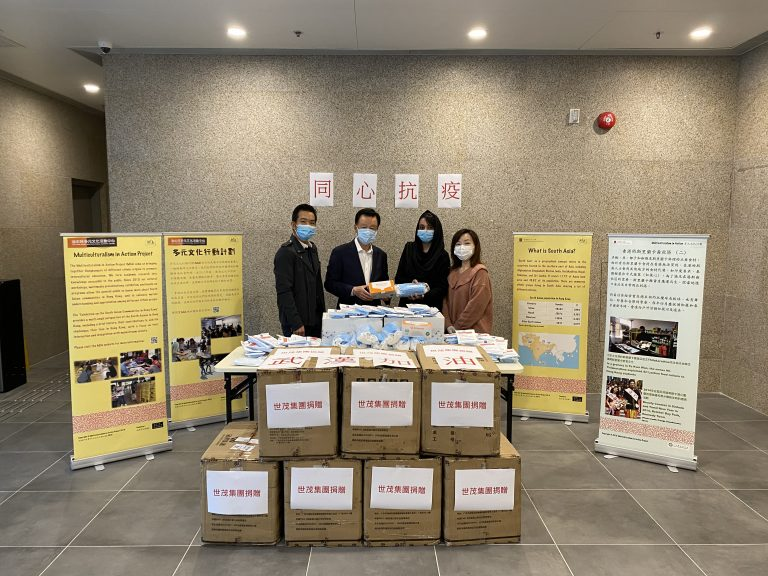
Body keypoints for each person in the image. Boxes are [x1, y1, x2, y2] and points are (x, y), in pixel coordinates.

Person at [274, 203, 327, 337]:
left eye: (312, 223)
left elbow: (317, 286)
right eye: (303, 222)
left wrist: (323, 316)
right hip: (298, 324)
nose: (308, 226)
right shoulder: (285, 252)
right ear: (294, 225)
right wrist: (295, 322)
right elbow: (284, 291)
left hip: (315, 319)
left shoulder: (312, 249)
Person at [325, 208, 389, 307]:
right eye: (364, 227)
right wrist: (353, 290)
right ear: (356, 227)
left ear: (377, 229)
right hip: (348, 311)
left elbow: (384, 284)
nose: (368, 231)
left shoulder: (381, 255)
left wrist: (386, 295)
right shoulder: (340, 252)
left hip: (374, 311)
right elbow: (329, 284)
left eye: (372, 228)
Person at [395, 210, 450, 310]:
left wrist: (424, 294)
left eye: (430, 228)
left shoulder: (442, 255)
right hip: (406, 307)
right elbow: (399, 278)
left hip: (431, 309)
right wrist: (410, 286)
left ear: (436, 230)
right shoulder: (409, 248)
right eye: (421, 227)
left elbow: (443, 288)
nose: (425, 230)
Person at [443, 229, 493, 333]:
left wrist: (457, 327)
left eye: (467, 243)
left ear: (475, 246)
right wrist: (448, 324)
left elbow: (476, 307)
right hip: (452, 333)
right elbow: (445, 301)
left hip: (473, 334)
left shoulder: (480, 273)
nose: (462, 247)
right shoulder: (452, 272)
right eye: (458, 244)